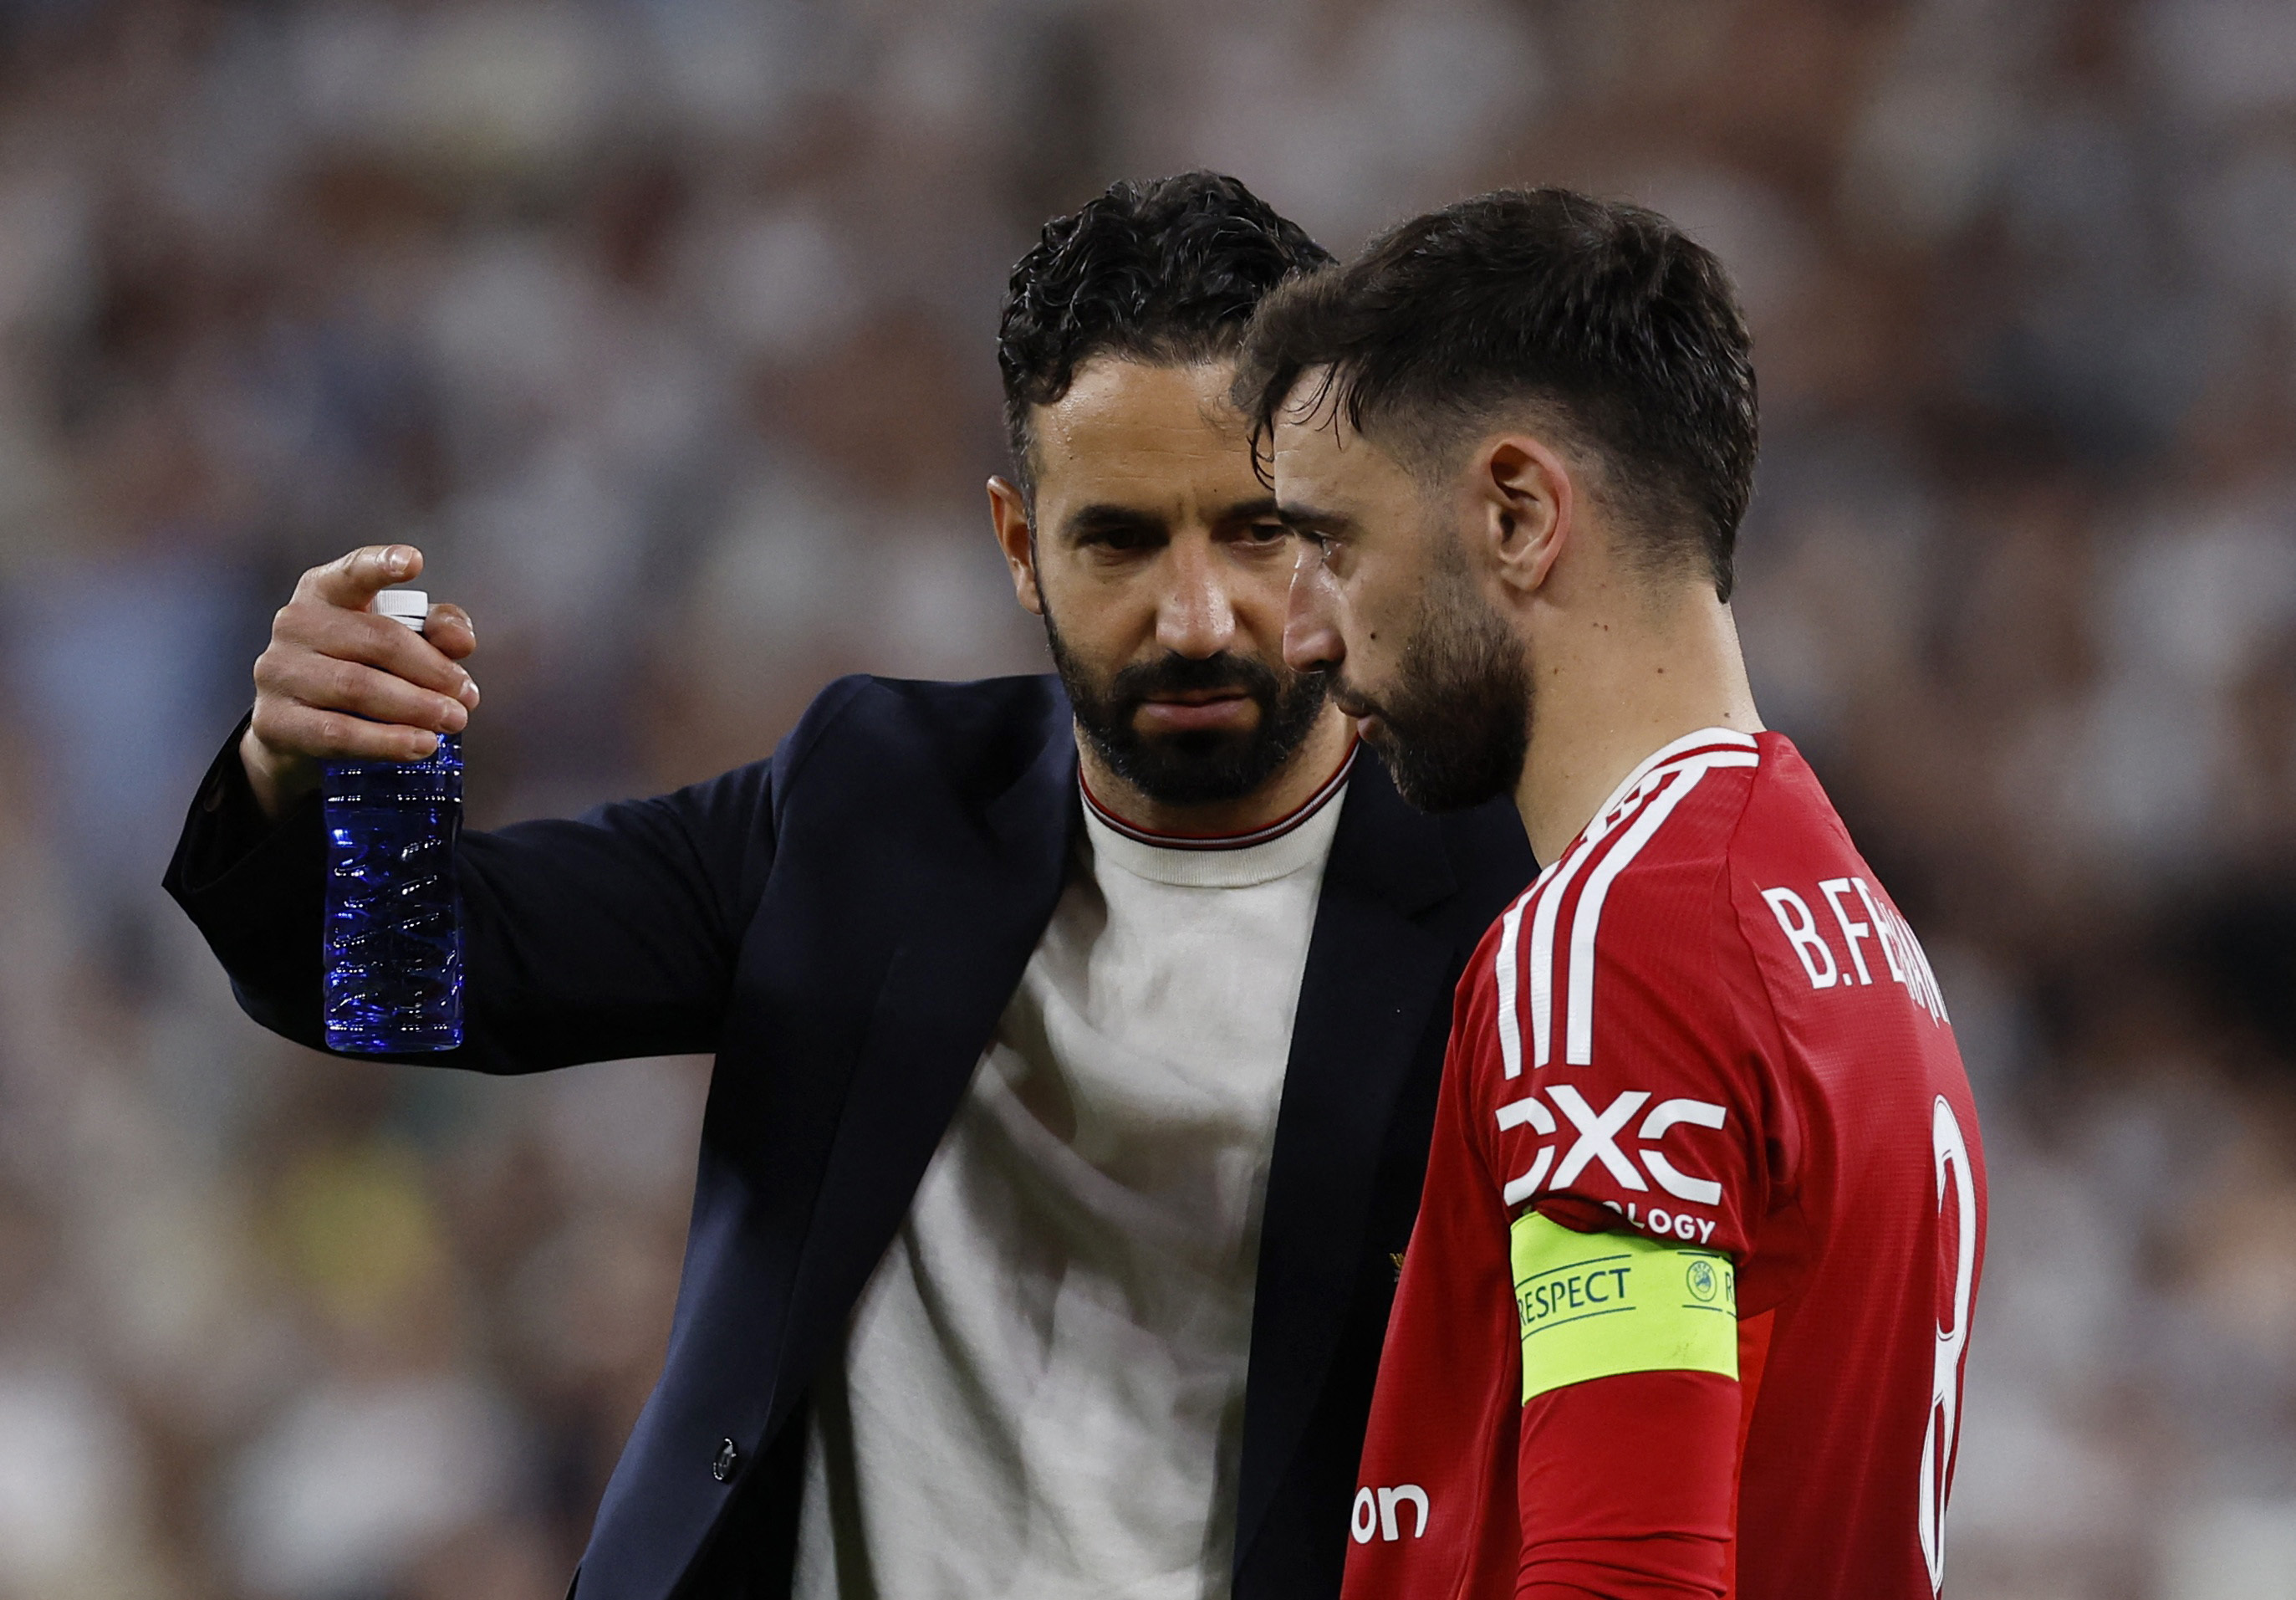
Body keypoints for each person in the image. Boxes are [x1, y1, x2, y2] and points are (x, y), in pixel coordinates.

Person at [164, 172, 1535, 1600]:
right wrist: (299, 760)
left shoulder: (1513, 905)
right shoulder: (869, 804)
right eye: (1118, 539)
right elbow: (388, 978)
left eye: (1254, 532)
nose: (1194, 616)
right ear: (1018, 544)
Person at [1232, 188, 1987, 1599]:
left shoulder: (1611, 948)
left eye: (1330, 543)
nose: (1299, 630)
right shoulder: (1836, 915)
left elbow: (1624, 1579)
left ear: (1518, 513)